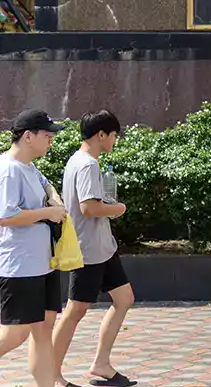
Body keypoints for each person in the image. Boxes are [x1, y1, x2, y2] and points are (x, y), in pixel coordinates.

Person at [53, 110, 135, 387]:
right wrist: (118, 209)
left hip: (103, 248)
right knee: (74, 311)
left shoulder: (79, 160)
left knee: (124, 299)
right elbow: (89, 207)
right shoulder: (87, 164)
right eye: (113, 136)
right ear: (101, 134)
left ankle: (101, 365)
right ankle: (49, 373)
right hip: (87, 251)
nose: (114, 141)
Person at [0, 109, 67, 387]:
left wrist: (54, 199)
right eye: (47, 135)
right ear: (28, 137)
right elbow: (5, 215)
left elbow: (46, 186)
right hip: (20, 265)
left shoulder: (29, 166)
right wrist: (47, 213)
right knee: (15, 334)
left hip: (42, 263)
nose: (51, 140)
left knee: (43, 328)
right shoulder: (9, 169)